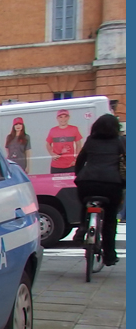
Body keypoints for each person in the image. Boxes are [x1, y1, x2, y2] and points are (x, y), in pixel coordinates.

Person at [74, 113, 126, 266]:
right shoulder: (120, 141)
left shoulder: (91, 141)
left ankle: (83, 227)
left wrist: (79, 176)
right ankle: (109, 256)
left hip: (87, 183)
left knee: (86, 204)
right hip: (112, 185)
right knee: (109, 221)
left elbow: (80, 161)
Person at [46, 109, 84, 173]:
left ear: (68, 117)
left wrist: (76, 159)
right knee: (55, 183)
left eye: (65, 116)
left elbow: (78, 145)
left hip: (71, 164)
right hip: (56, 165)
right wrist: (52, 154)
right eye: (61, 117)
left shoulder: (74, 129)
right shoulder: (53, 130)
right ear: (57, 118)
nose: (63, 119)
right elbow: (48, 144)